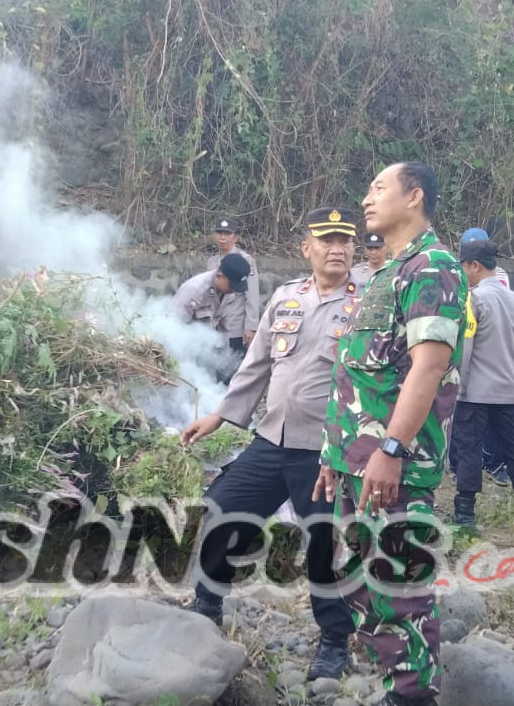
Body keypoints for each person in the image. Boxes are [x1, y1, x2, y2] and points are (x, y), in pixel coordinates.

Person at [179, 206, 359, 681]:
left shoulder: (368, 305)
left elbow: (372, 384)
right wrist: (219, 416)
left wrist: (353, 449)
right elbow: (256, 365)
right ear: (307, 248)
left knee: (321, 542)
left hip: (324, 451)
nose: (336, 248)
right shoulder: (285, 297)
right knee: (221, 506)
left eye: (344, 241)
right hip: (271, 439)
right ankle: (208, 602)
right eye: (326, 240)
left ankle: (335, 639)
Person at [314, 161, 466, 706]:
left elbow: (429, 367)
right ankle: (395, 684)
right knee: (361, 583)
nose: (367, 198)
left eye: (379, 188)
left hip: (394, 465)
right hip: (358, 461)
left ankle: (412, 696)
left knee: (398, 587)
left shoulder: (433, 266)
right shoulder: (386, 272)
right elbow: (359, 372)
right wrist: (334, 453)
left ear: (414, 197)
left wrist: (392, 449)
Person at [450, 238, 514, 527]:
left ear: (474, 265)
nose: (463, 272)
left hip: (474, 391)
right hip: (508, 392)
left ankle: (465, 512)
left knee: (469, 449)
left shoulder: (473, 300)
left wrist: (457, 386)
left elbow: (466, 348)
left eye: (464, 266)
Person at [455, 227, 511, 485]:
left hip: (486, 358)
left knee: (481, 422)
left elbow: (472, 331)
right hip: (483, 357)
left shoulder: (494, 281)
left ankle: (489, 465)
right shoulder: (458, 274)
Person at [207, 219, 261, 352]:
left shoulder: (245, 260)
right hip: (215, 327)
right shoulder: (212, 262)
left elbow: (252, 295)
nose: (222, 237)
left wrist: (251, 327)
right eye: (219, 233)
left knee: (234, 362)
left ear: (235, 237)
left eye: (227, 234)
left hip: (235, 326)